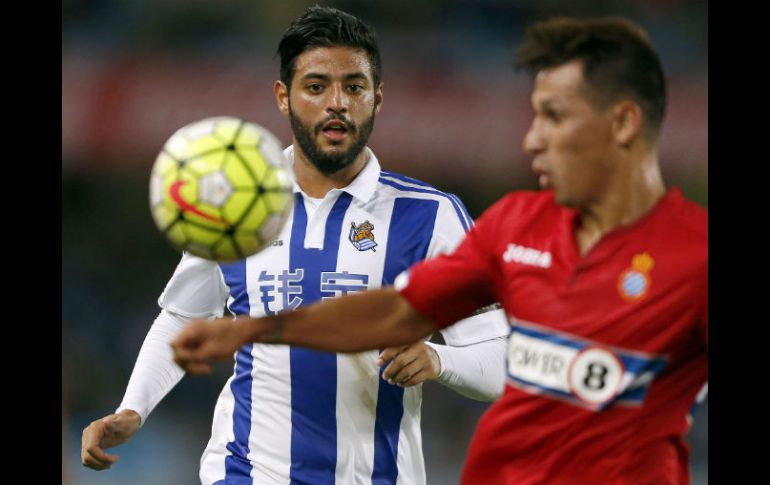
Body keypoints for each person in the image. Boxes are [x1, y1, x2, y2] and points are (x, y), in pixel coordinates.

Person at [172, 16, 708, 485]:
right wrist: (252, 330)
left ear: (622, 122)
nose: (532, 139)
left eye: (554, 116)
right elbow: (395, 310)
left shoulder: (694, 259)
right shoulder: (513, 226)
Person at [80, 6, 509, 485]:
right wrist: (132, 410)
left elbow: (497, 359)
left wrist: (438, 359)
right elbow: (184, 315)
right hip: (245, 472)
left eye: (354, 87)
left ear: (378, 98)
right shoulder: (236, 201)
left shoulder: (430, 215)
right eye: (316, 86)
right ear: (283, 97)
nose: (337, 103)